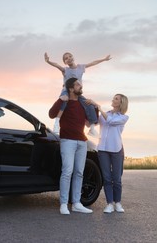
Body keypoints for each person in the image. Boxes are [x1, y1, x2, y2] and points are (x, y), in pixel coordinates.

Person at [49, 77, 96, 215]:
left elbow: (89, 123)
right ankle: (63, 204)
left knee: (79, 172)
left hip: (82, 141)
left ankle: (76, 203)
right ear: (71, 88)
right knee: (67, 171)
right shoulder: (65, 102)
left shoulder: (83, 103)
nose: (80, 86)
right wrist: (60, 100)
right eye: (77, 84)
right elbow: (51, 114)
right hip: (67, 141)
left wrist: (94, 106)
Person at [44, 52, 111, 136]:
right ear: (65, 62)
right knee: (64, 100)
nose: (69, 58)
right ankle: (57, 122)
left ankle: (92, 128)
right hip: (66, 90)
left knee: (89, 104)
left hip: (77, 92)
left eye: (70, 56)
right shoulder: (65, 70)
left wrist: (104, 59)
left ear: (73, 57)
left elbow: (93, 62)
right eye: (66, 58)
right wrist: (48, 61)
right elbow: (57, 65)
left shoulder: (80, 67)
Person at [87, 94, 129, 213]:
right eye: (114, 98)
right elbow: (93, 122)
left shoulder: (123, 117)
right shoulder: (105, 114)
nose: (113, 100)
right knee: (106, 178)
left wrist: (99, 107)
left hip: (116, 149)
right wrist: (91, 110)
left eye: (116, 99)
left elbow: (110, 121)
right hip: (103, 149)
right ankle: (109, 203)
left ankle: (118, 202)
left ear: (121, 103)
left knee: (116, 178)